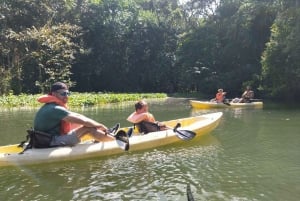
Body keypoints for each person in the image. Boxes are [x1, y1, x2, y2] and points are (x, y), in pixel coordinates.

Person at [33, 81, 128, 147]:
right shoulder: (55, 108)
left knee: (83, 124)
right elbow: (83, 121)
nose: (66, 97)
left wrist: (98, 126)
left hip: (45, 139)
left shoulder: (50, 106)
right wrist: (101, 126)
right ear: (53, 94)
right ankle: (115, 141)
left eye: (67, 93)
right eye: (63, 94)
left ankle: (103, 137)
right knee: (88, 128)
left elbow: (78, 117)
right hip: (51, 141)